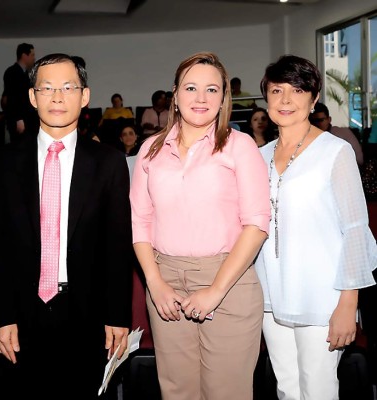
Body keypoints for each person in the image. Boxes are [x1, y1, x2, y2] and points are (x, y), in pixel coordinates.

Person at [0, 53, 133, 400]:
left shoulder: (108, 162)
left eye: (68, 87)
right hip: (21, 312)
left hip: (88, 314)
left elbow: (117, 245)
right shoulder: (2, 163)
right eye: (47, 88)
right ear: (32, 97)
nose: (57, 96)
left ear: (84, 96)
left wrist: (118, 315)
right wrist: (1, 315)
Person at [130, 52, 270, 400]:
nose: (201, 98)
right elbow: (139, 222)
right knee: (178, 391)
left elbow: (257, 224)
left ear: (224, 97)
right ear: (174, 95)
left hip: (228, 279)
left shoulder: (240, 146)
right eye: (191, 88)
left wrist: (215, 290)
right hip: (165, 282)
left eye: (212, 89)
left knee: (227, 392)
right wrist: (155, 283)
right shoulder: (150, 150)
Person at [254, 54, 377, 400]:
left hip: (322, 295)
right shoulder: (258, 157)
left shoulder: (334, 152)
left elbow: (355, 228)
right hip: (270, 296)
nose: (286, 100)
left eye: (297, 90)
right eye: (277, 91)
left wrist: (347, 304)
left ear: (314, 96)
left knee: (319, 389)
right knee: (287, 387)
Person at [2, 43, 39, 142]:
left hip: (28, 121)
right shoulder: (12, 72)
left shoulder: (26, 74)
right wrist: (18, 119)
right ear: (24, 56)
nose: (34, 58)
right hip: (20, 121)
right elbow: (12, 97)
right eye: (32, 55)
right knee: (20, 149)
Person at [310, 101, 364, 166]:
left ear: (329, 119)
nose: (316, 124)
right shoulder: (309, 136)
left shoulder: (340, 134)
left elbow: (359, 159)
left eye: (320, 120)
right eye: (313, 121)